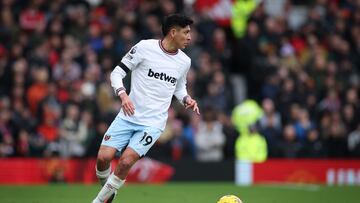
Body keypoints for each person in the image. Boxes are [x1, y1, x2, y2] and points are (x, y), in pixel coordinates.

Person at [92, 14, 200, 203]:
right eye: (186, 32)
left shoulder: (185, 61)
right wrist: (123, 95)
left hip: (153, 123)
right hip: (127, 115)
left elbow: (179, 88)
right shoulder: (144, 47)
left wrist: (187, 99)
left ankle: (99, 201)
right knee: (103, 158)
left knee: (125, 161)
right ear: (173, 33)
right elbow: (116, 73)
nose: (189, 37)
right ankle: (108, 193)